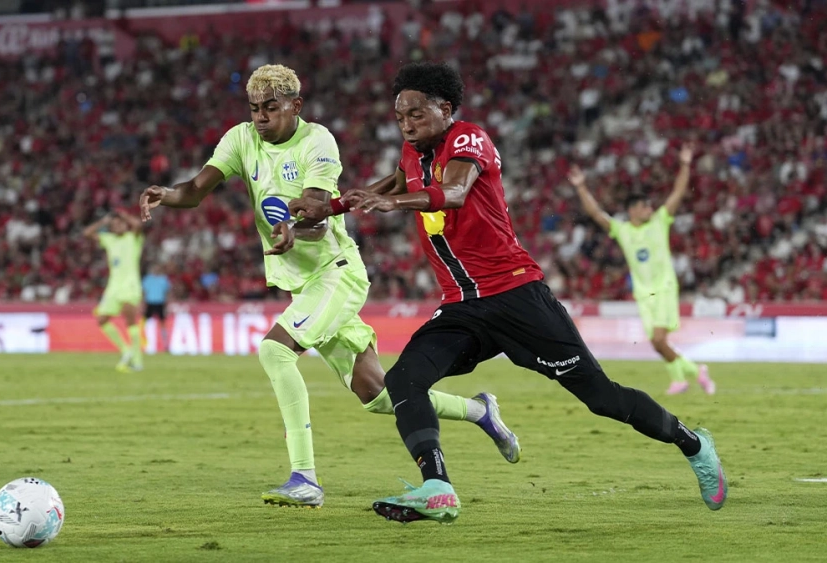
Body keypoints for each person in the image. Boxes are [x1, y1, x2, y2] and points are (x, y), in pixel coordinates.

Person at [289, 61, 726, 524]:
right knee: (403, 380)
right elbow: (392, 184)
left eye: (416, 114)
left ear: (445, 108)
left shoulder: (468, 138)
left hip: (517, 296)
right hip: (462, 308)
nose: (407, 124)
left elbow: (453, 192)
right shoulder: (412, 153)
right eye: (400, 117)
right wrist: (328, 208)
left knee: (602, 397)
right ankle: (437, 486)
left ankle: (694, 444)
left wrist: (390, 203)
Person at [139, 64, 520, 509]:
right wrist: (167, 193)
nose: (260, 117)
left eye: (271, 108)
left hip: (336, 272)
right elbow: (196, 189)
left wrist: (291, 231)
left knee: (275, 350)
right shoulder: (241, 138)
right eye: (255, 109)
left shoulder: (317, 141)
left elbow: (319, 220)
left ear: (295, 106)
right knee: (377, 394)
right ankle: (480, 411)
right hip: (304, 284)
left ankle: (305, 479)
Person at [568, 150, 716, 395]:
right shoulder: (623, 230)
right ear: (632, 211)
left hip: (664, 287)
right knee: (658, 344)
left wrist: (685, 164)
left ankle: (695, 371)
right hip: (643, 292)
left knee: (658, 340)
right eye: (644, 205)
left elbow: (678, 193)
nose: (650, 208)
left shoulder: (659, 221)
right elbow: (596, 214)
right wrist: (582, 186)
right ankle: (682, 377)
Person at [82, 210, 145, 373]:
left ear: (125, 225)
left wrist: (123, 215)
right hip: (113, 287)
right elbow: (87, 233)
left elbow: (137, 224)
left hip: (130, 286)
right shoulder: (108, 239)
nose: (117, 226)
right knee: (102, 319)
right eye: (114, 225)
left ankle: (137, 361)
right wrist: (103, 222)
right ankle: (126, 350)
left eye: (120, 223)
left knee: (130, 320)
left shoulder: (133, 238)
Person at [142, 263, 172, 350]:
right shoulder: (147, 279)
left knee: (162, 323)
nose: (156, 270)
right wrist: (143, 304)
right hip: (150, 303)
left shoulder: (163, 279)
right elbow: (144, 292)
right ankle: (143, 342)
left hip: (160, 303)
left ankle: (166, 344)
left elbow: (167, 292)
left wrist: (167, 304)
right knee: (145, 324)